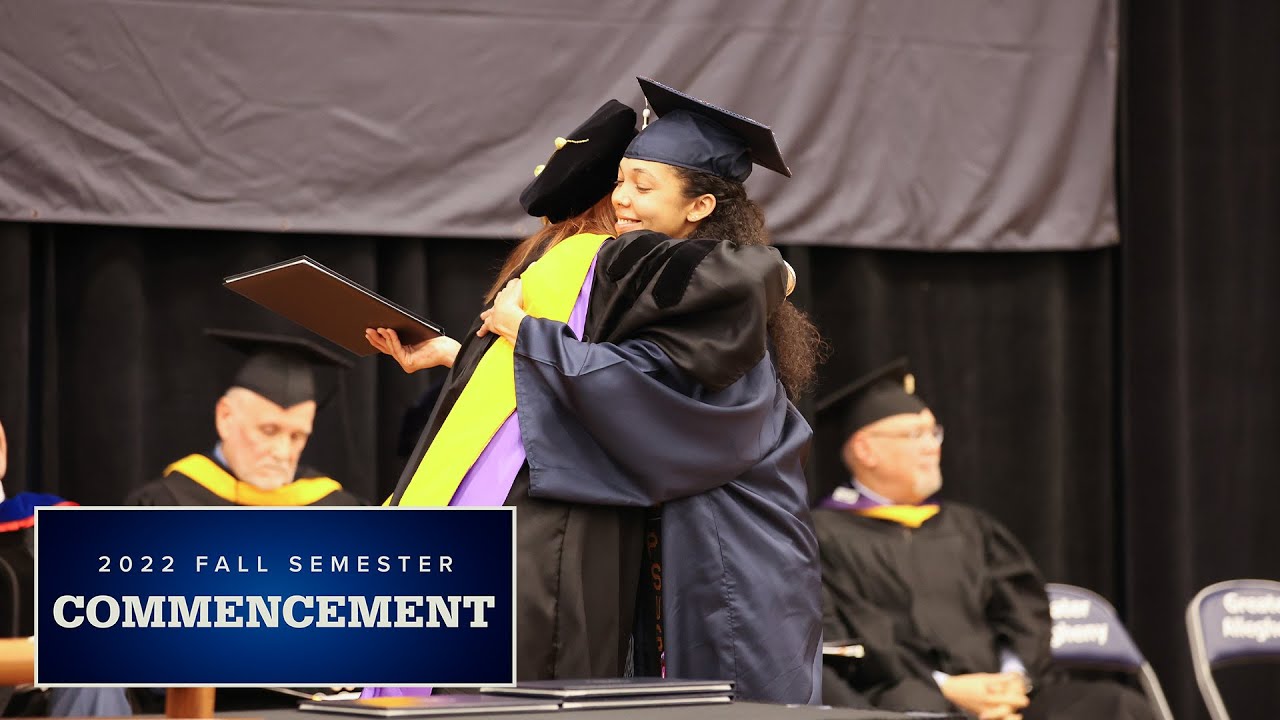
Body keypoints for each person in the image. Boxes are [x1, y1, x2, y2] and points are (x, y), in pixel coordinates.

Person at [370, 80, 823, 704]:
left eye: (644, 184)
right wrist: (462, 355)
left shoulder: (710, 282)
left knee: (733, 695)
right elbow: (607, 376)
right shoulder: (667, 279)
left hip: (732, 535)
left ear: (698, 207)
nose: (622, 199)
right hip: (678, 522)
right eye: (621, 180)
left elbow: (643, 387)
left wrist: (531, 334)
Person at [814, 359, 1154, 719]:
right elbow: (851, 644)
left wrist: (1011, 680)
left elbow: (1025, 615)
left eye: (934, 433)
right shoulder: (825, 535)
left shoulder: (971, 529)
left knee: (1115, 706)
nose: (932, 447)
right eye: (916, 435)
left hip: (1010, 695)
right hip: (914, 698)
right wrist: (947, 687)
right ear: (866, 451)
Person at [126, 329, 366, 507]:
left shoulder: (336, 510)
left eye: (297, 436)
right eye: (268, 430)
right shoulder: (164, 506)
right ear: (225, 417)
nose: (282, 452)